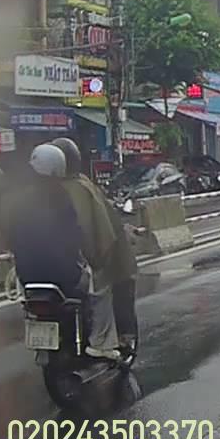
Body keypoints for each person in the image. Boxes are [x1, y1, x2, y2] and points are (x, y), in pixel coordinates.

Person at [4, 144, 121, 360]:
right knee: (100, 290)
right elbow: (75, 234)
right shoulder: (61, 196)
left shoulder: (18, 200)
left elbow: (11, 237)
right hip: (63, 276)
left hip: (27, 278)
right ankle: (100, 345)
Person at [52, 138, 139, 351]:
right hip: (80, 261)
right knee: (118, 283)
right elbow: (98, 232)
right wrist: (96, 260)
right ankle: (117, 340)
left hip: (47, 267)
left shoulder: (40, 191)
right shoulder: (80, 188)